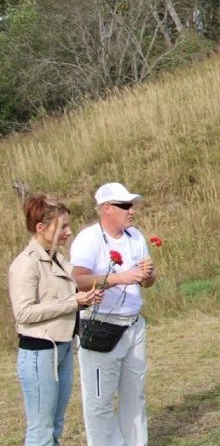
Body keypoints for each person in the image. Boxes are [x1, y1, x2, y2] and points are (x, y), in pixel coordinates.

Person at [10, 195, 102, 446]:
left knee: (55, 426)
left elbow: (75, 286)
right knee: (41, 432)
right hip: (40, 353)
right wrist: (74, 302)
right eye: (62, 226)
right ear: (41, 228)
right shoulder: (26, 264)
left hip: (61, 349)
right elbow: (24, 313)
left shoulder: (58, 259)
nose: (69, 232)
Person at [70, 182, 156, 446]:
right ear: (107, 209)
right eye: (125, 206)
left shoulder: (135, 237)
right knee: (100, 399)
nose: (132, 211)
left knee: (134, 394)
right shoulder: (89, 238)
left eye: (132, 205)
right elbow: (78, 279)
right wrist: (120, 278)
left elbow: (147, 282)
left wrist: (147, 275)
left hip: (133, 324)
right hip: (101, 324)